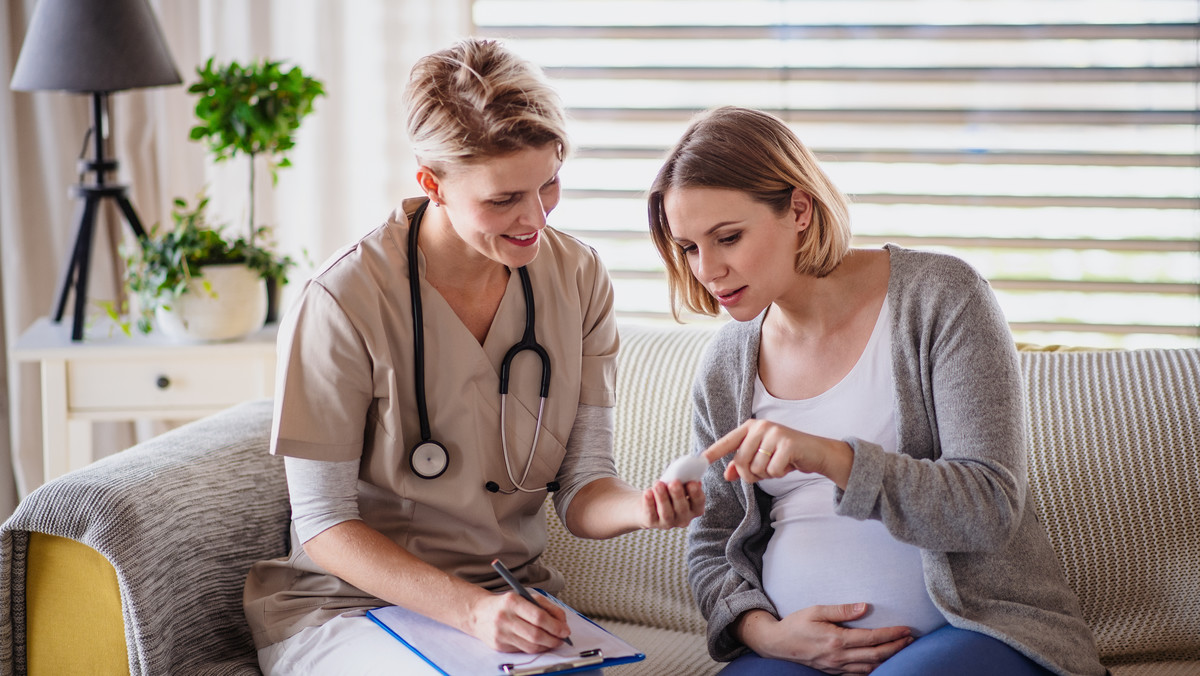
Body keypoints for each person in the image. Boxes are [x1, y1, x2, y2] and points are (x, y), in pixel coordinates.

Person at [243, 38, 703, 675]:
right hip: (349, 608)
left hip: (511, 602)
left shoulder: (578, 277)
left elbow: (582, 487)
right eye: (502, 199)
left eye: (548, 185)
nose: (534, 219)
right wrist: (469, 612)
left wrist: (642, 506)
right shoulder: (343, 300)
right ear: (431, 183)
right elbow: (323, 523)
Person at [647, 106, 1107, 676]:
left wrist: (835, 459)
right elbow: (715, 542)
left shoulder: (941, 298)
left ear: (798, 208)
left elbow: (989, 506)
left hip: (971, 632)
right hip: (797, 655)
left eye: (728, 238)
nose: (707, 270)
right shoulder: (725, 362)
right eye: (689, 248)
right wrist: (765, 634)